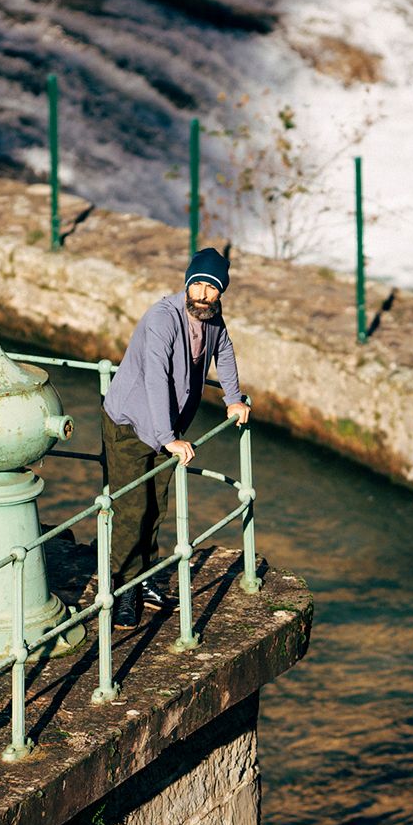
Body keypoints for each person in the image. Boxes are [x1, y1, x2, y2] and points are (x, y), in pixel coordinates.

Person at [100, 248, 250, 627]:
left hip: (168, 428)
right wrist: (168, 437)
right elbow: (155, 377)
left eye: (211, 288)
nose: (201, 294)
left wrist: (233, 398)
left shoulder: (211, 318)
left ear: (220, 294)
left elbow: (225, 351)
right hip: (131, 425)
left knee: (156, 505)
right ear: (186, 283)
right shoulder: (162, 319)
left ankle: (143, 576)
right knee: (132, 508)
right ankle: (122, 590)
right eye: (197, 284)